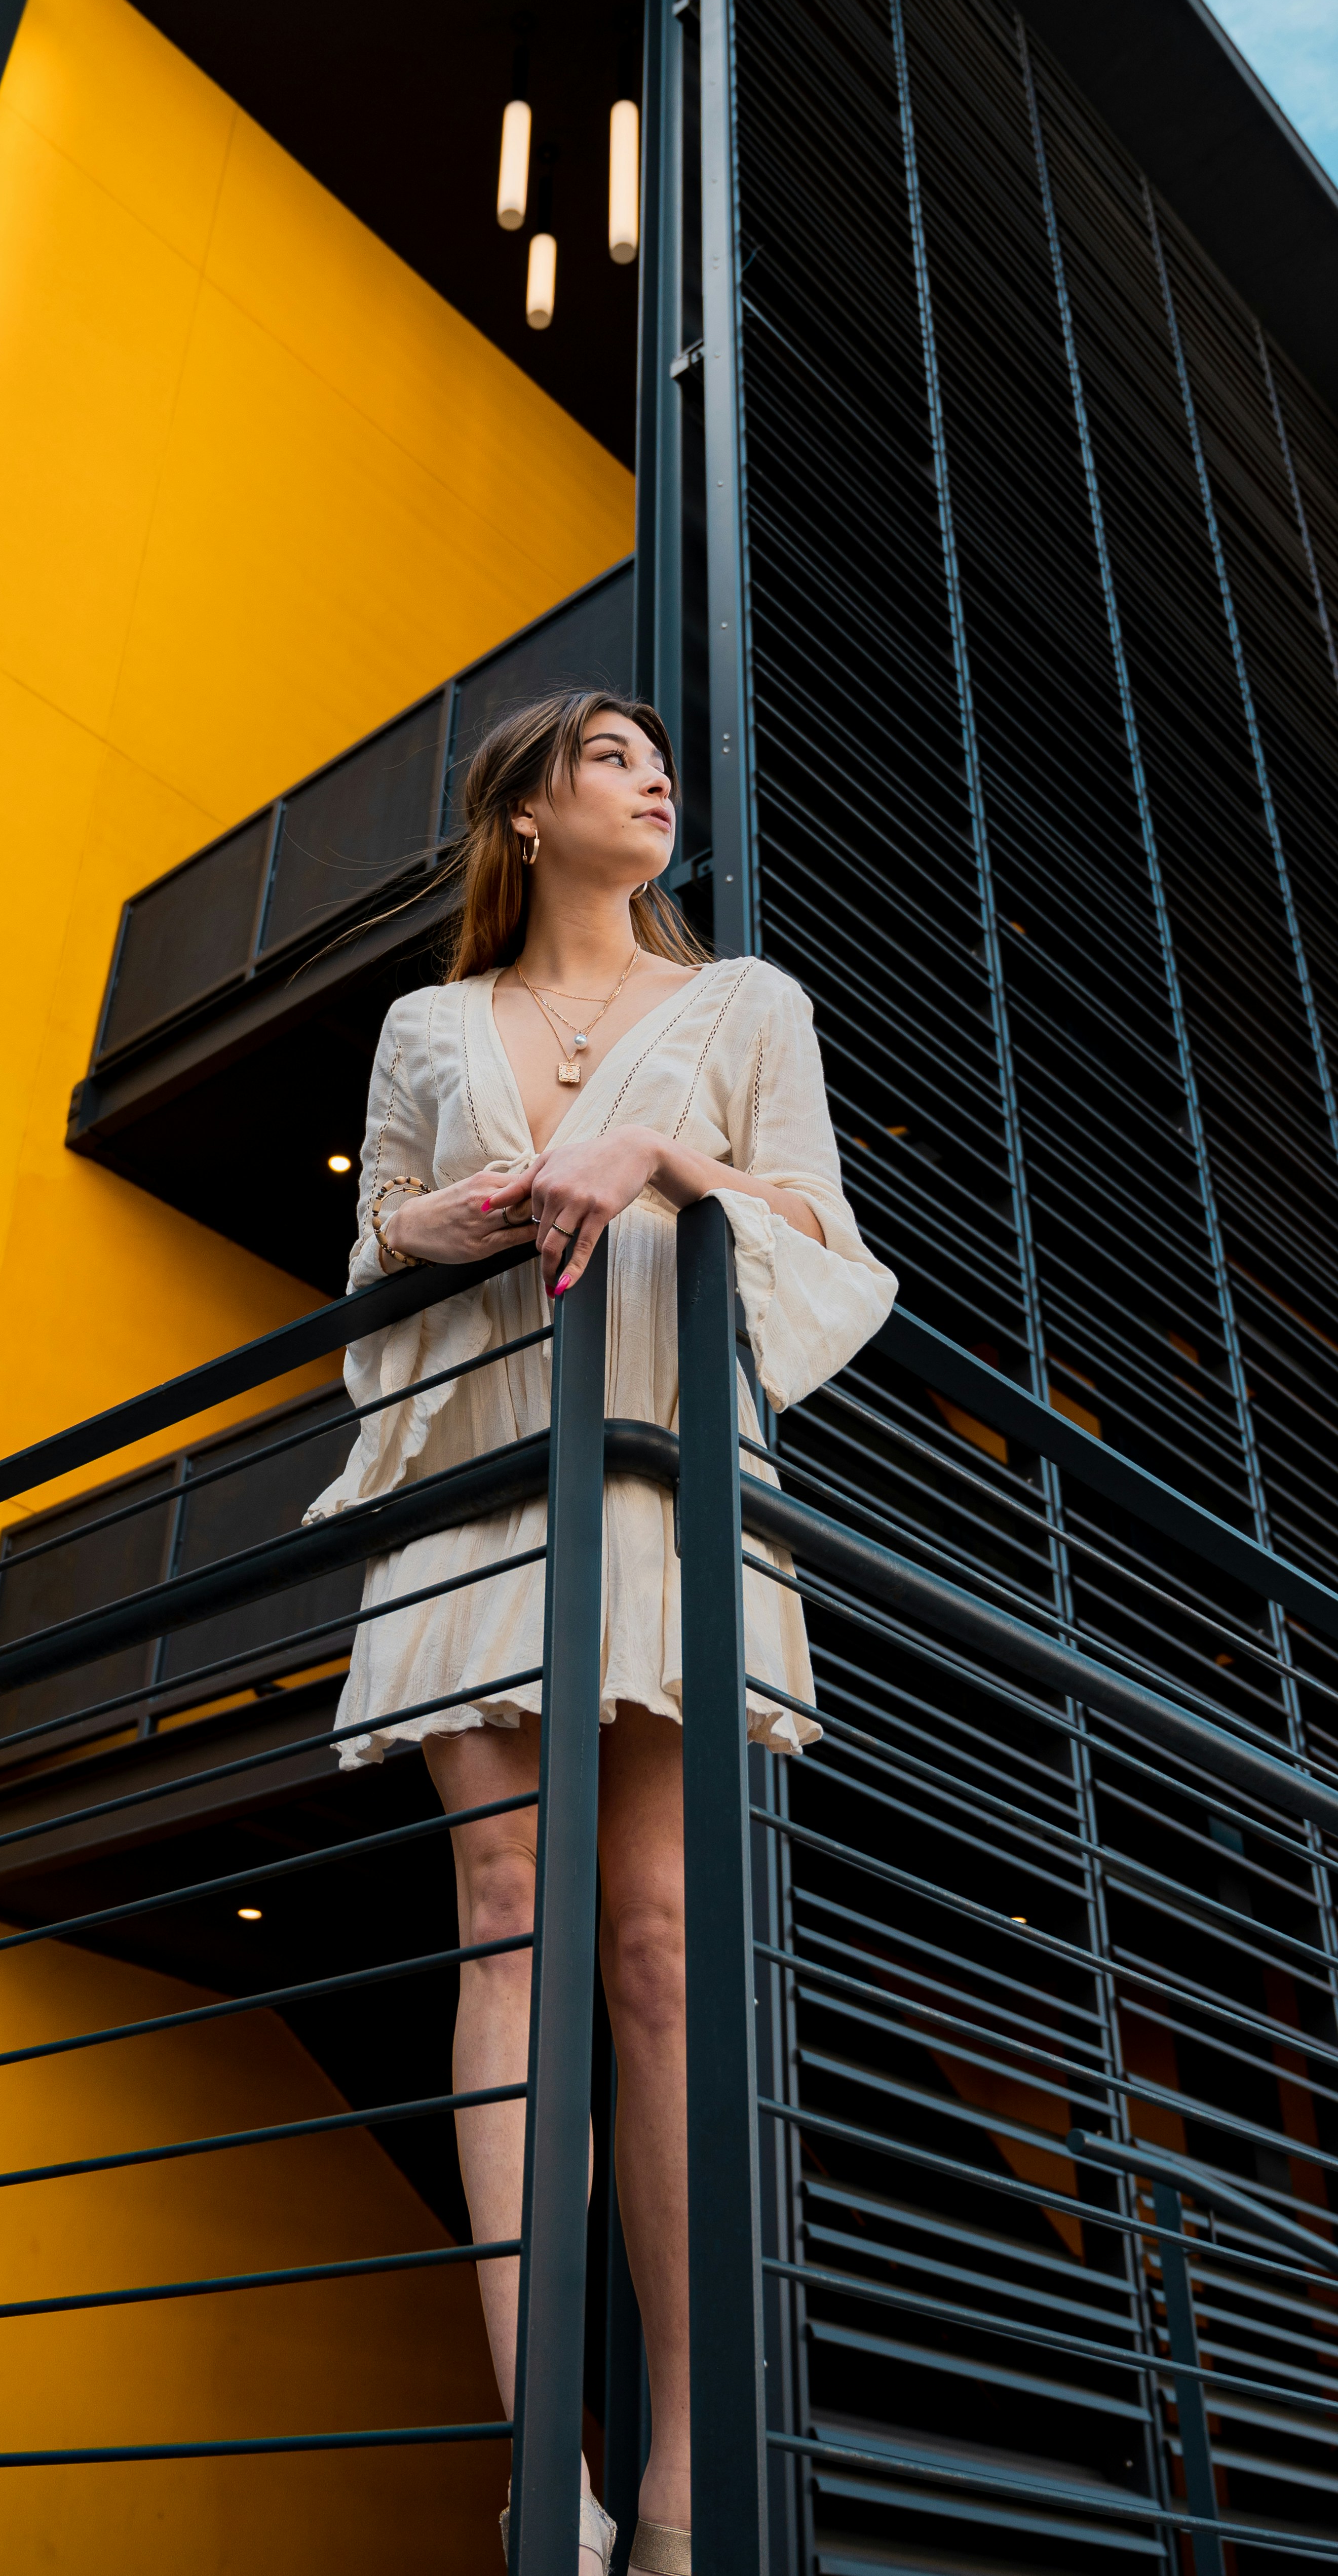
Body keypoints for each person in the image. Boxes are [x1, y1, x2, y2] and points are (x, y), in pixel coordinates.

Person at [307, 691, 895, 2574]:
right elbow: (374, 1258)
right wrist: (432, 1226)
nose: (654, 782)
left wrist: (657, 1158)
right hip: (471, 1483)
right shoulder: (428, 1026)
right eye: (612, 760)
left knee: (652, 1945)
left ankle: (682, 2484)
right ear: (525, 813)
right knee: (504, 1915)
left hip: (655, 1477)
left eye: (659, 764)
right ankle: (538, 2471)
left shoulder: (746, 1005)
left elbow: (827, 1247)